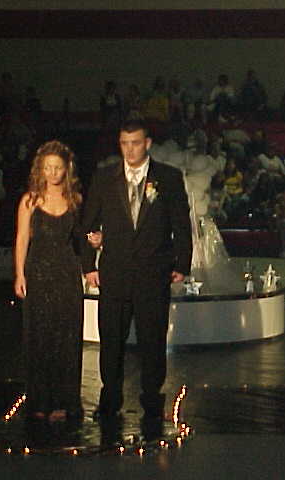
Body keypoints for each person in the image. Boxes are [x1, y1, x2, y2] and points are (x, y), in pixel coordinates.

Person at [81, 119, 192, 430]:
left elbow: (181, 224)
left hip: (153, 272)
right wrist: (89, 264)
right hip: (114, 273)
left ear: (147, 143)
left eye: (135, 143)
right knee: (111, 339)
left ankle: (152, 401)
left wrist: (182, 263)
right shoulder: (105, 177)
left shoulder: (168, 177)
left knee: (152, 341)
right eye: (124, 144)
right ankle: (110, 399)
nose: (129, 150)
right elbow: (88, 222)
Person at [13, 140, 85, 423]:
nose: (53, 173)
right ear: (40, 170)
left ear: (67, 169)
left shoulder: (75, 200)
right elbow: (22, 239)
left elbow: (82, 238)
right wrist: (19, 274)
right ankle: (39, 400)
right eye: (47, 168)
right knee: (40, 335)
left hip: (67, 272)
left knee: (66, 336)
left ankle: (64, 402)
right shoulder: (30, 200)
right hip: (38, 272)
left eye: (57, 168)